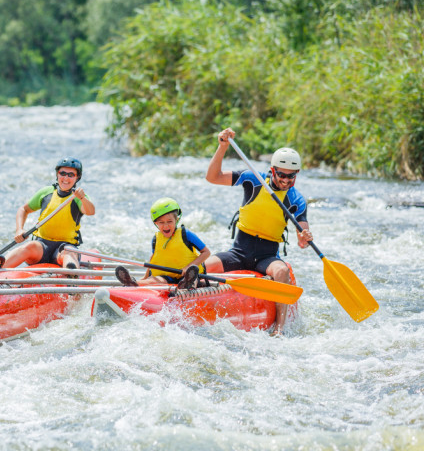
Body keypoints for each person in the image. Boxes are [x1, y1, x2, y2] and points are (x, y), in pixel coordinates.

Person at [204, 127, 313, 335]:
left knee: (281, 271)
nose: (286, 180)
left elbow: (302, 241)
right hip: (238, 251)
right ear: (273, 171)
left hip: (267, 256)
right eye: (282, 175)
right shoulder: (253, 179)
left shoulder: (296, 200)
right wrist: (222, 147)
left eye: (292, 176)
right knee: (201, 266)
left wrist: (305, 237)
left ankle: (279, 329)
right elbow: (213, 177)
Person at [0, 157, 95, 269]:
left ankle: (71, 275)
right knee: (29, 246)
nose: (66, 178)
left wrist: (82, 198)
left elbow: (90, 211)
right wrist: (19, 229)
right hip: (41, 246)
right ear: (57, 174)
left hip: (64, 247)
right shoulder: (46, 192)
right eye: (62, 173)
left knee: (70, 253)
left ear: (77, 178)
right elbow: (23, 210)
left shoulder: (78, 197)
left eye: (71, 175)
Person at [115, 198, 210, 289]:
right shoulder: (156, 239)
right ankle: (133, 283)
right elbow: (153, 260)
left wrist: (189, 266)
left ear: (176, 220)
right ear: (156, 223)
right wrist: (144, 278)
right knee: (153, 280)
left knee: (192, 280)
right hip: (166, 277)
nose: (166, 226)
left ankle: (186, 285)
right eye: (161, 222)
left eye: (169, 221)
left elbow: (206, 252)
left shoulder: (186, 234)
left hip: (187, 275)